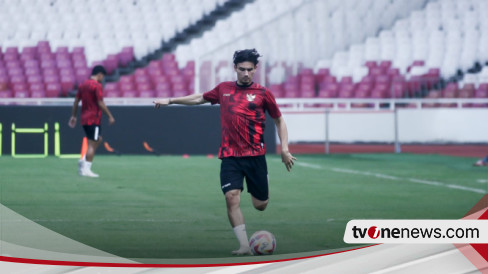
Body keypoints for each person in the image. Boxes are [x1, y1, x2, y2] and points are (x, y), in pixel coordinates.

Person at [153, 49, 296, 255]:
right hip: (230, 156)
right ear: (235, 68)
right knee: (231, 197)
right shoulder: (224, 89)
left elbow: (279, 120)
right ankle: (245, 245)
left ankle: (258, 196)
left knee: (261, 205)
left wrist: (284, 148)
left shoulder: (263, 94)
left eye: (249, 69)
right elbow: (199, 98)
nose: (245, 73)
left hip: (255, 156)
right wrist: (171, 100)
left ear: (255, 69)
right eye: (241, 69)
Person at [69, 65, 115, 177]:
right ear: (100, 74)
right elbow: (100, 103)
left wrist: (73, 116)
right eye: (102, 77)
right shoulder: (97, 86)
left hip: (84, 118)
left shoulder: (82, 85)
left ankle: (83, 161)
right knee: (92, 143)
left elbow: (76, 101)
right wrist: (110, 116)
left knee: (98, 139)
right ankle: (87, 169)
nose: (102, 79)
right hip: (93, 119)